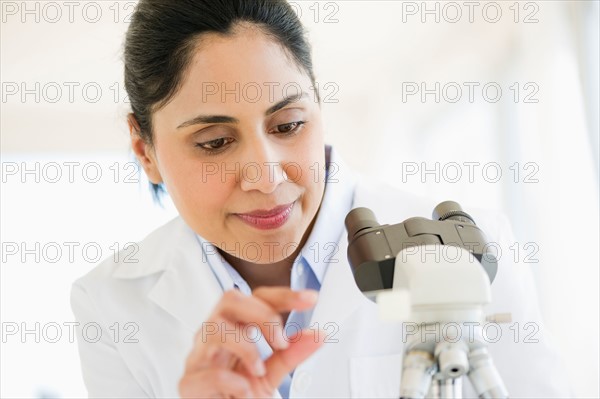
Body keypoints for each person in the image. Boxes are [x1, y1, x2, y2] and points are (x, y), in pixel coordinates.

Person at [70, 1, 572, 398]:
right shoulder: (111, 303)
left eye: (288, 125)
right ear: (146, 151)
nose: (266, 178)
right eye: (215, 142)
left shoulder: (473, 251)